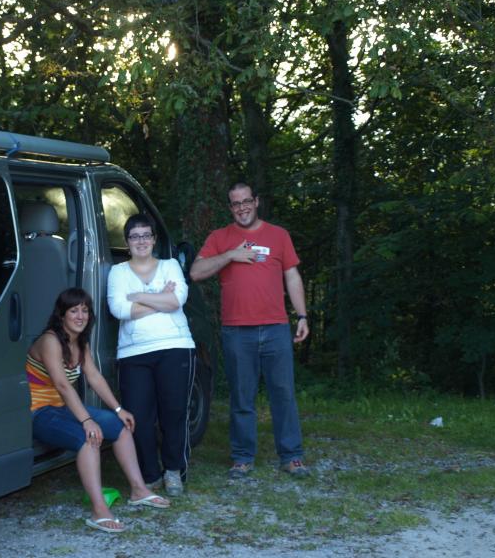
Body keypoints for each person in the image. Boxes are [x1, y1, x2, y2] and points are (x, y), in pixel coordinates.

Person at [189, 182, 310, 479]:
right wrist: (230, 255)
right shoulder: (220, 238)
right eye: (235, 203)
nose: (241, 207)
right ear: (230, 207)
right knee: (242, 398)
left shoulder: (278, 235)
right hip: (237, 332)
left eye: (246, 201)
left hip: (276, 328)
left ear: (256, 201)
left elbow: (292, 276)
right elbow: (195, 272)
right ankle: (242, 458)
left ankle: (291, 456)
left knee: (283, 394)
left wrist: (302, 316)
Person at [27, 287, 170, 533]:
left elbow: (94, 377)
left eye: (85, 310)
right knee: (89, 437)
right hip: (38, 412)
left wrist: (118, 409)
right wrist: (87, 420)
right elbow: (62, 385)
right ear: (61, 314)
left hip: (61, 408)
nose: (80, 316)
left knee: (121, 426)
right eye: (74, 311)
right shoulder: (50, 340)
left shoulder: (79, 342)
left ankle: (139, 490)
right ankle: (99, 511)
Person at [107, 214, 195, 496]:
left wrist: (137, 296)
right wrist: (160, 299)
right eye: (135, 236)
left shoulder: (170, 266)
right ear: (127, 242)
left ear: (155, 239)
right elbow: (119, 309)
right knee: (139, 418)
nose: (141, 241)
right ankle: (150, 474)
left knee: (174, 413)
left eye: (146, 235)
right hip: (133, 353)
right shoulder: (118, 272)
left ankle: (173, 471)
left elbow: (178, 300)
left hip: (175, 346)